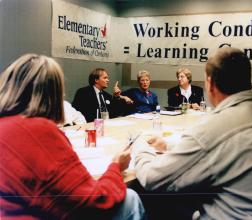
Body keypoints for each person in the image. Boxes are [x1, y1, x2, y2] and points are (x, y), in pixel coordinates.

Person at [132, 47, 252, 219]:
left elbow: (151, 178)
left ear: (210, 84)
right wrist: (169, 145)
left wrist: (139, 143)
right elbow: (225, 147)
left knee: (152, 199)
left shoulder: (214, 126)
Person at [0, 54, 145, 220]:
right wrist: (115, 167)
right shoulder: (40, 130)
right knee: (130, 198)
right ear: (53, 92)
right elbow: (95, 201)